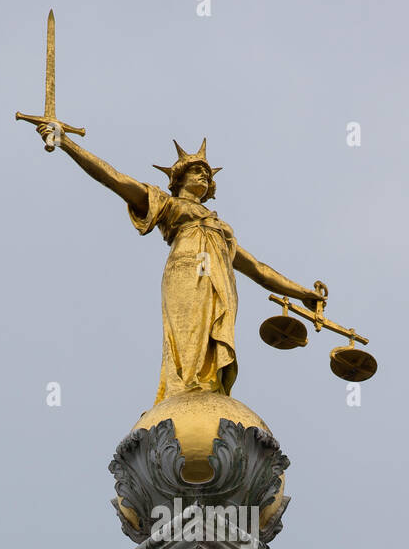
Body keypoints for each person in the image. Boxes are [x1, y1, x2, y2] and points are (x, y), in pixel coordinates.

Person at [29, 126, 321, 404]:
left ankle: (209, 386)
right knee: (188, 332)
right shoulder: (168, 206)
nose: (204, 177)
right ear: (179, 178)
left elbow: (258, 269)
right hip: (185, 271)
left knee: (209, 333)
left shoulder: (221, 229)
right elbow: (114, 179)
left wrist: (303, 294)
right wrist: (66, 142)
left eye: (207, 174)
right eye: (197, 171)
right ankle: (184, 388)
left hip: (219, 281)